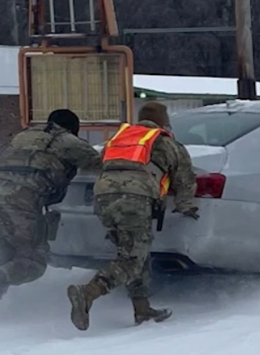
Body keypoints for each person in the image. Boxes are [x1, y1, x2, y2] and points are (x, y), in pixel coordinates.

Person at [0, 108, 102, 321]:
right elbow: (100, 164)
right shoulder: (69, 142)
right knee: (33, 263)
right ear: (73, 129)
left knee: (4, 253)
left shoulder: (24, 136)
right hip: (21, 202)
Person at [67, 101, 197, 331]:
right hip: (134, 199)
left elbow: (97, 164)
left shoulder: (120, 138)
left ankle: (142, 308)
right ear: (164, 122)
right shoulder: (166, 142)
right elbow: (185, 179)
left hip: (103, 197)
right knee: (132, 259)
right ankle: (88, 292)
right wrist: (185, 206)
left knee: (133, 253)